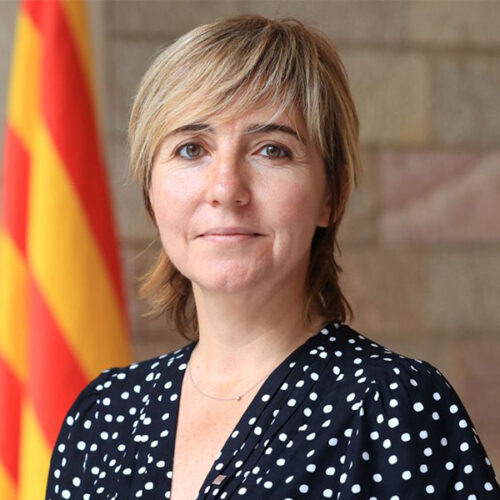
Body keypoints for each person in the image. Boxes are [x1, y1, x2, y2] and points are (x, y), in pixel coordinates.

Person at [45, 15, 499, 500]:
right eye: (191, 149)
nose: (226, 189)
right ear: (151, 195)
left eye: (271, 150)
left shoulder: (394, 406)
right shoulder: (103, 415)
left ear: (332, 195)